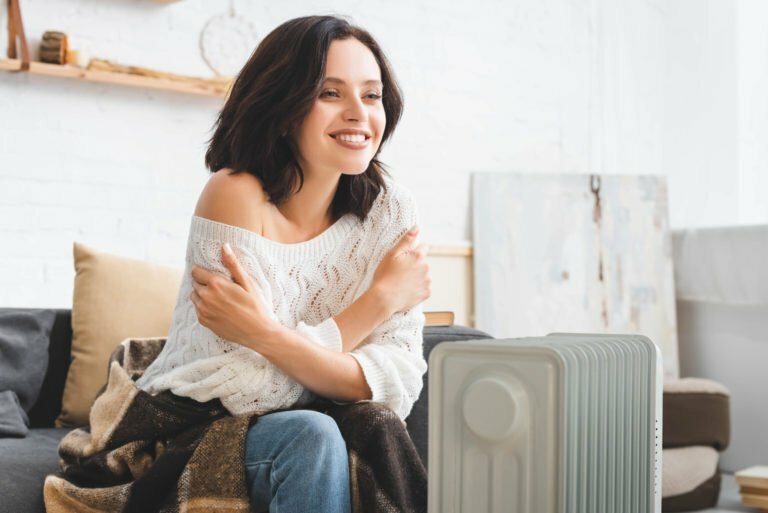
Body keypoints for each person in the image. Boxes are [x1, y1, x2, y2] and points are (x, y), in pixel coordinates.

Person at [135, 15, 431, 513]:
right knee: (310, 431)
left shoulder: (391, 210)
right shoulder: (235, 195)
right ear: (285, 105)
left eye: (372, 95)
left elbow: (395, 383)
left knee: (367, 425)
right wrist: (378, 301)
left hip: (309, 432)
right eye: (331, 94)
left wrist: (267, 337)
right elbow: (250, 390)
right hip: (191, 425)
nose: (360, 114)